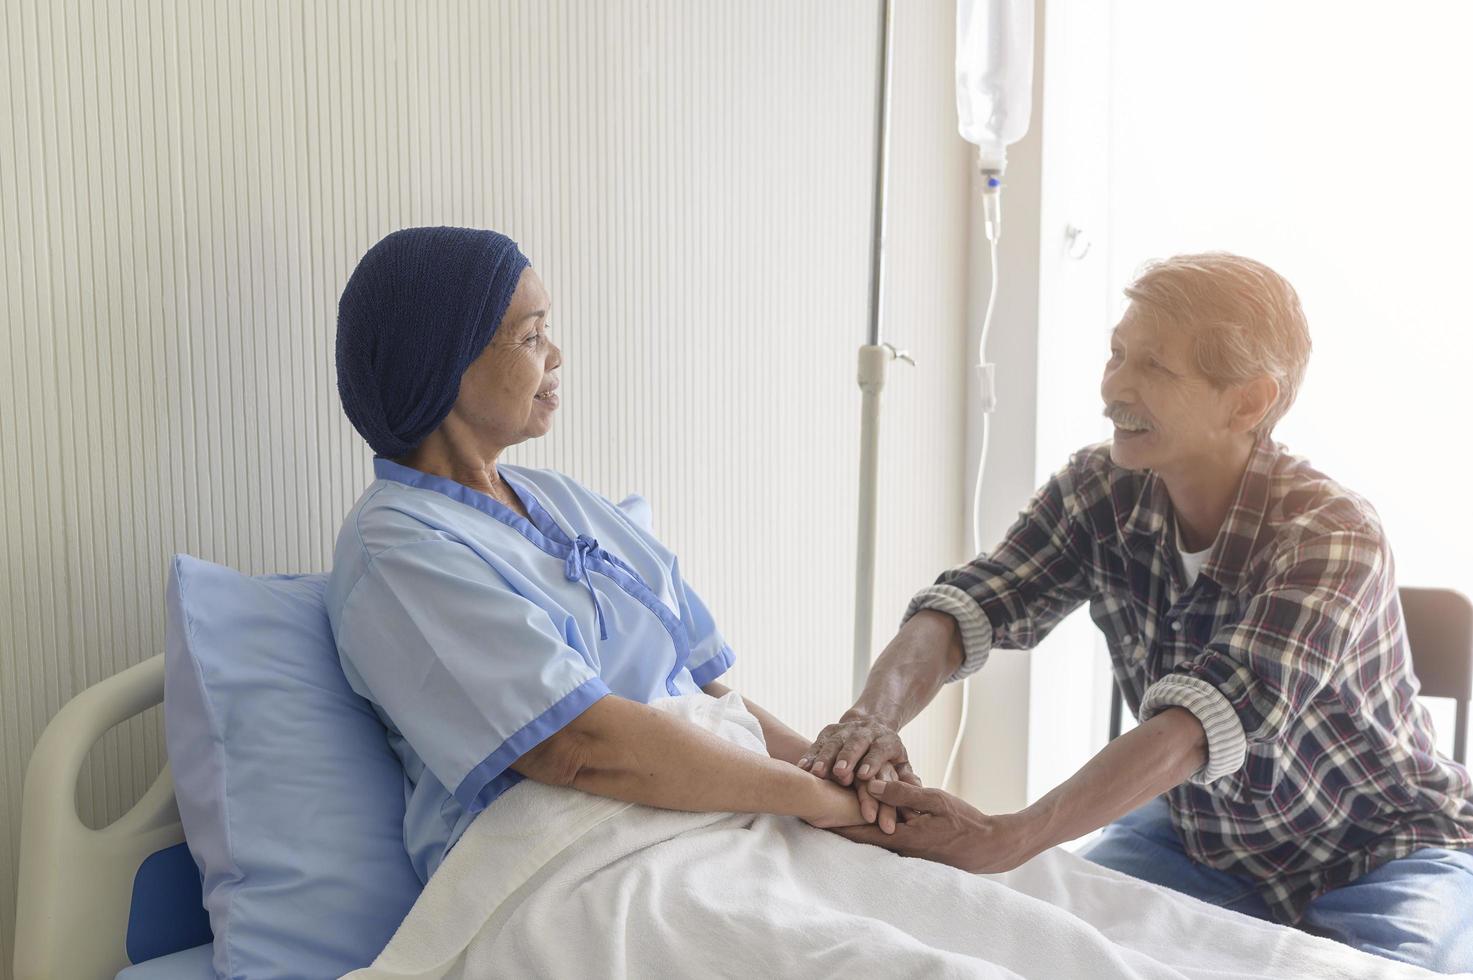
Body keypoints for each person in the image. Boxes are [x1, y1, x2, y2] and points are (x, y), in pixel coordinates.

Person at [804, 253, 1473, 973]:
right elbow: (969, 603)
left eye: (1153, 367)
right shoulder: (1099, 489)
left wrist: (1012, 834)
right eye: (1116, 354)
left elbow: (1197, 726)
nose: (1113, 389)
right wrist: (869, 720)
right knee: (1030, 945)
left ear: (1247, 402)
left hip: (1385, 848)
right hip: (1200, 834)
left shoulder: (1334, 535)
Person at [325, 226, 888, 884]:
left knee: (974, 902)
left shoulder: (562, 499)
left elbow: (702, 688)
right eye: (532, 335)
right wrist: (825, 803)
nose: (556, 354)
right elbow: (578, 748)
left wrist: (837, 777)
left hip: (714, 817)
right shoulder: (396, 547)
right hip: (567, 860)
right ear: (447, 360)